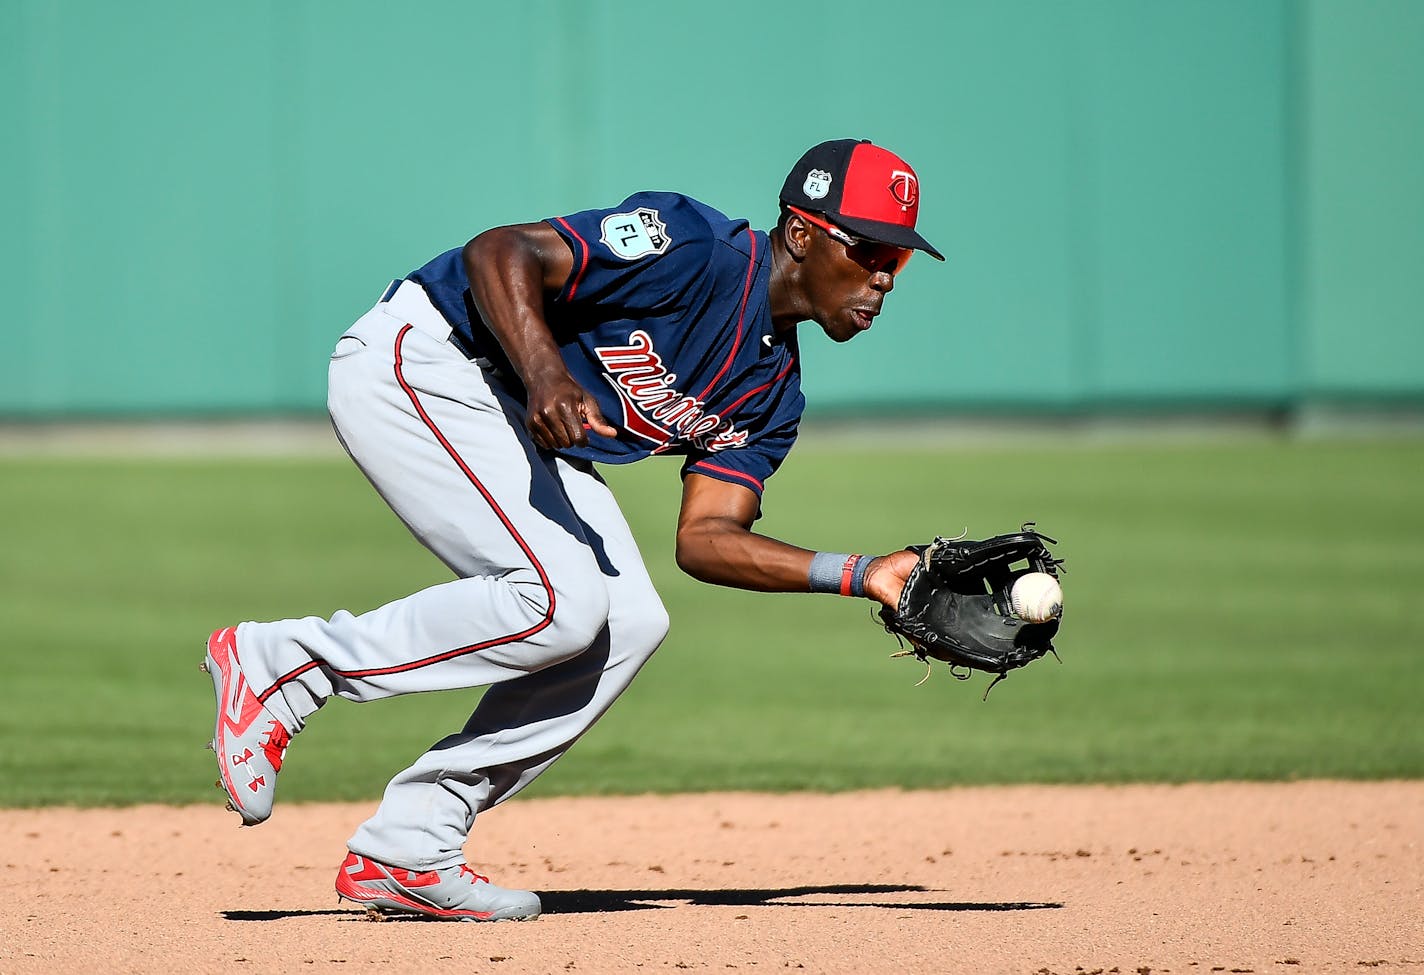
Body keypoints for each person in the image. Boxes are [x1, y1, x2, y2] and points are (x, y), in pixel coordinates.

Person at [203, 138, 945, 921]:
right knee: (559, 599)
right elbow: (501, 251)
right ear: (801, 234)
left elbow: (705, 538)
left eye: (898, 259)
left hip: (510, 415)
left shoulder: (772, 397)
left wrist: (865, 572)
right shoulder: (693, 249)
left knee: (630, 621)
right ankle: (283, 666)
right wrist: (545, 370)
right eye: (869, 250)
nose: (885, 278)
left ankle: (410, 847)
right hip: (427, 356)